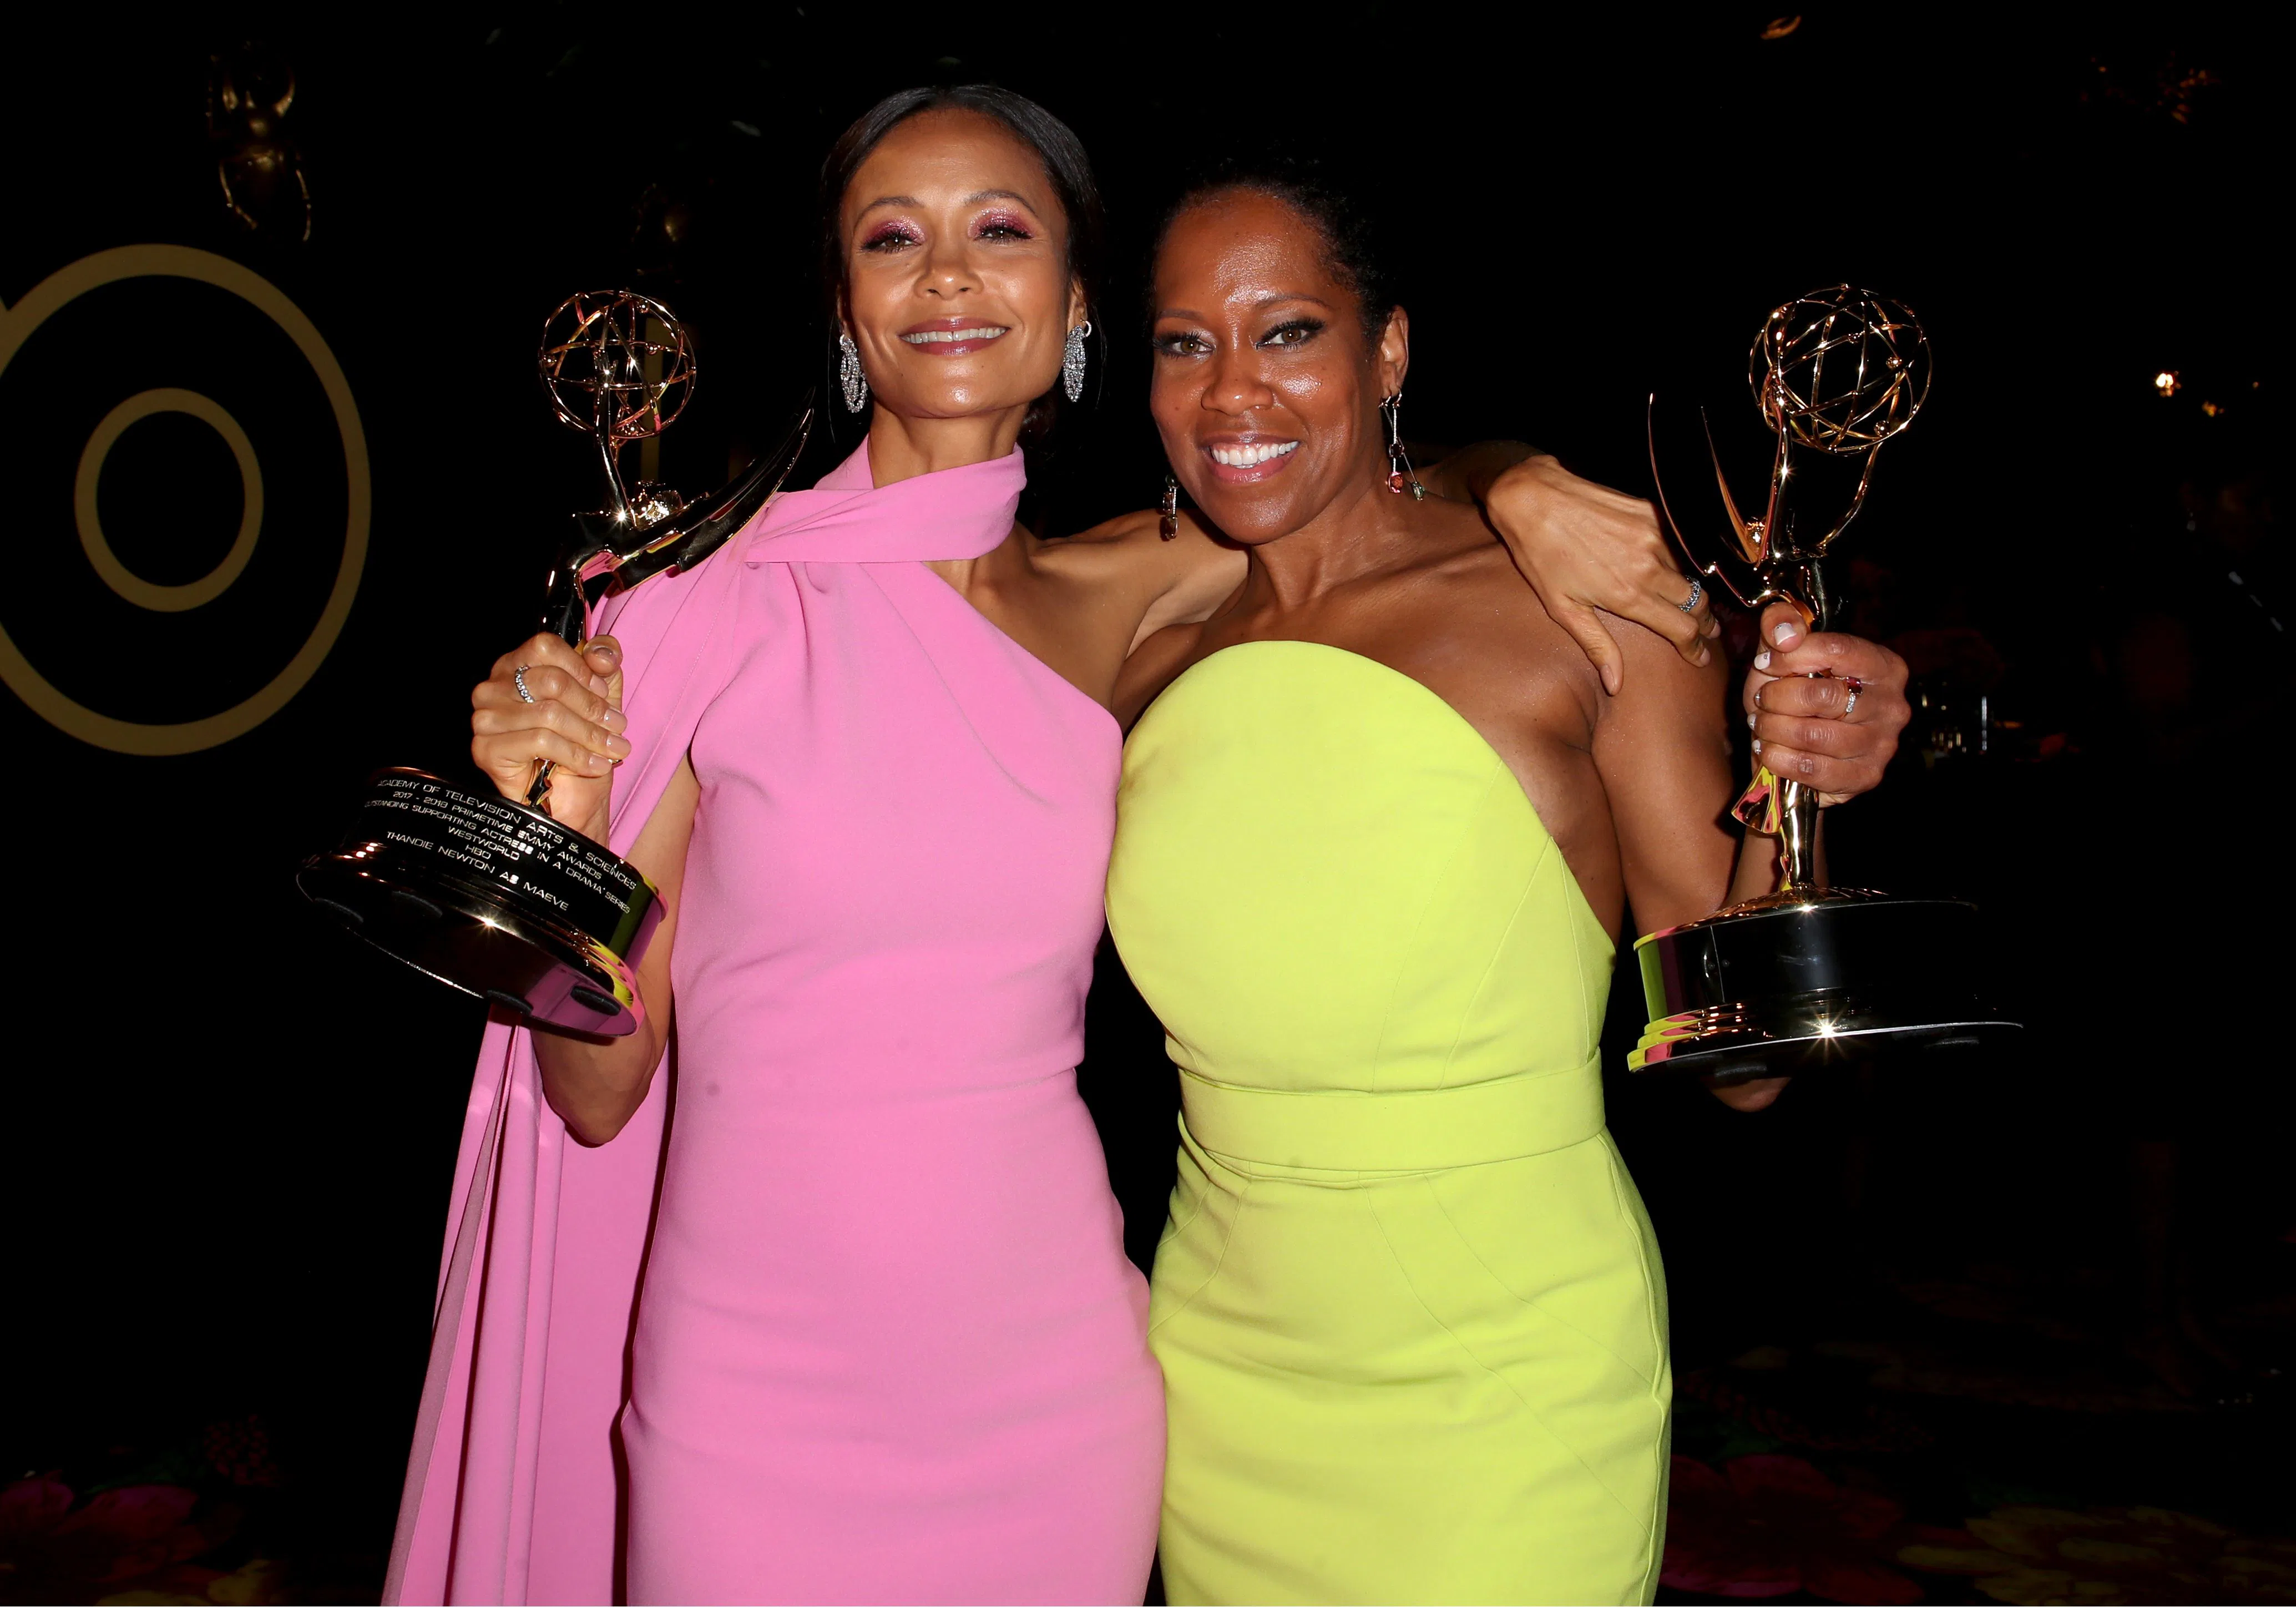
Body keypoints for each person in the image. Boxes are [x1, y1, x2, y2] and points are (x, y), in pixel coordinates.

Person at [382, 88, 1721, 1606]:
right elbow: (596, 1092)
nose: (949, 275)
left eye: (1001, 230)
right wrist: (560, 815)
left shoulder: (1126, 592)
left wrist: (1516, 479)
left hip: (1058, 1393)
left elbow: (1346, 494)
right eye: (894, 239)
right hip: (755, 1394)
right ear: (844, 307)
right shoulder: (700, 603)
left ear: (1077, 305)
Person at [1104, 168, 1911, 1604]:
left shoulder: (1584, 606)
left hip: (1509, 1367)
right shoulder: (1149, 649)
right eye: (1185, 342)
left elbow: (1742, 1075)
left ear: (1389, 351)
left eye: (1287, 332)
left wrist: (1799, 783)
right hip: (1217, 1367)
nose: (1232, 391)